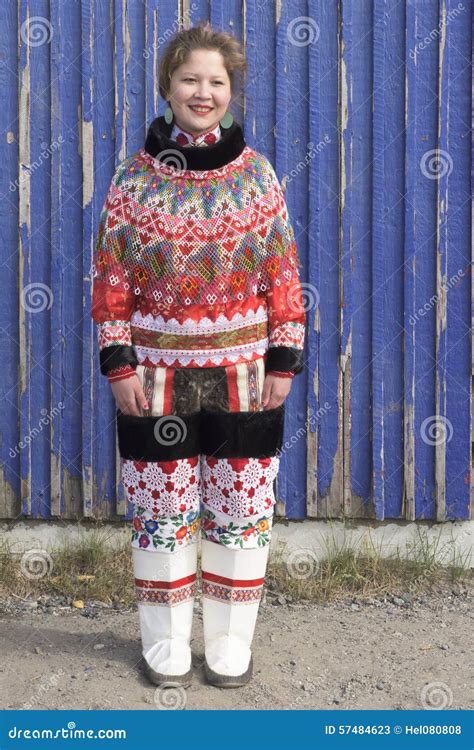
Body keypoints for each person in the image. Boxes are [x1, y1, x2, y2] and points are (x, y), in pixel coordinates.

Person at [91, 21, 306, 689]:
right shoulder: (134, 179)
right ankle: (167, 650)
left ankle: (229, 649)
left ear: (231, 89)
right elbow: (112, 279)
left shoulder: (257, 178)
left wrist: (283, 360)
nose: (203, 92)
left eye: (216, 81)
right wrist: (118, 362)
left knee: (241, 510)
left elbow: (283, 276)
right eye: (190, 79)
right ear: (167, 87)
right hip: (154, 379)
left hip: (244, 376)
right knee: (161, 513)